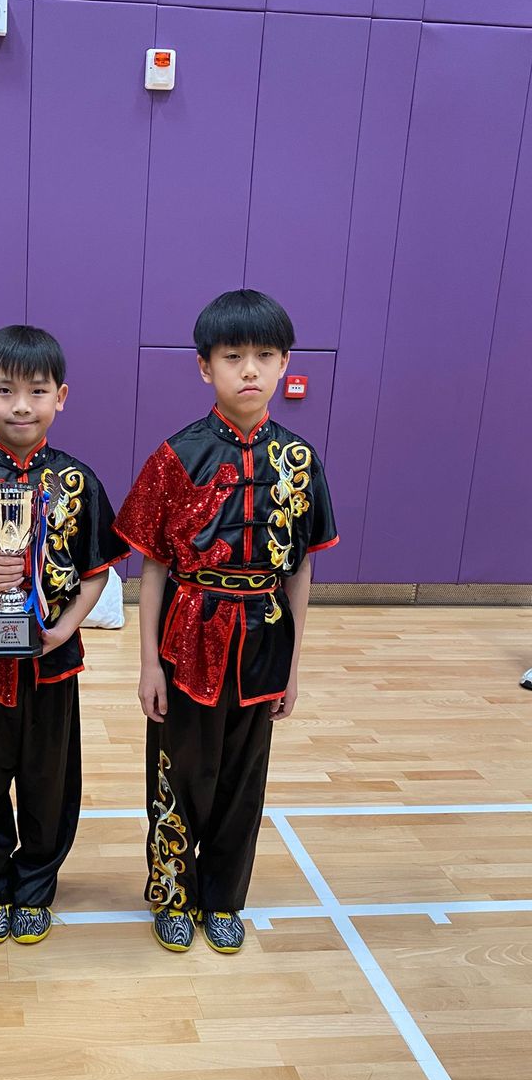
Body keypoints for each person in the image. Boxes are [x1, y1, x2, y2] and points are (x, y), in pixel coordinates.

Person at [114, 289, 337, 955]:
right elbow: (153, 565)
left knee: (244, 778)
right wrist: (149, 663)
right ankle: (172, 894)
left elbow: (300, 568)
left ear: (285, 363)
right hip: (188, 635)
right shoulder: (176, 456)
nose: (249, 369)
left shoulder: (300, 461)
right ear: (204, 366)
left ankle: (223, 898)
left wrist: (293, 666)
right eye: (233, 356)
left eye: (264, 355)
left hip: (264, 638)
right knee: (179, 771)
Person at [0, 325, 128, 944]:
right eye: (5, 390)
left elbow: (97, 572)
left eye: (38, 391)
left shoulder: (78, 481)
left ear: (60, 397)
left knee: (50, 782)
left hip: (50, 660)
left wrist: (64, 628)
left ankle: (37, 885)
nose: (22, 405)